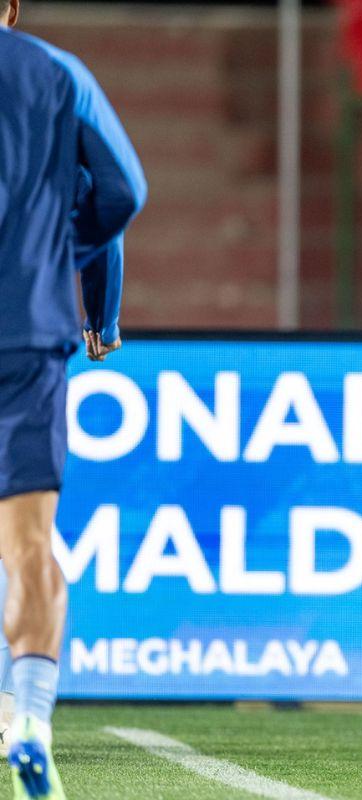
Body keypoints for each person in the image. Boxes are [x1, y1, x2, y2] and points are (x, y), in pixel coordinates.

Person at [0, 1, 146, 795]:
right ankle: (29, 721)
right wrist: (60, 262)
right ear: (13, 9)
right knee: (28, 545)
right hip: (26, 329)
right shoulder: (58, 72)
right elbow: (122, 193)